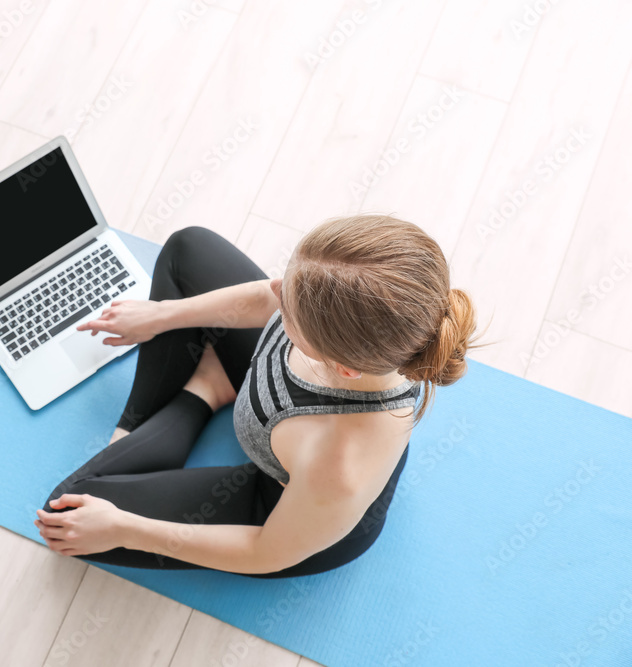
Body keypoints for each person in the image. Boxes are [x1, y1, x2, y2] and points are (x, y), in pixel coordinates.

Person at [35, 216, 485, 577]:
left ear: (343, 365)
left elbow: (264, 552)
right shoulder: (346, 309)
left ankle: (204, 392)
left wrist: (125, 528)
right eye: (287, 279)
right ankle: (166, 412)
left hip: (282, 513)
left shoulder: (339, 466)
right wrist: (160, 315)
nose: (272, 291)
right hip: (288, 400)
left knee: (67, 510)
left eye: (287, 308)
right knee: (187, 248)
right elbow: (263, 298)